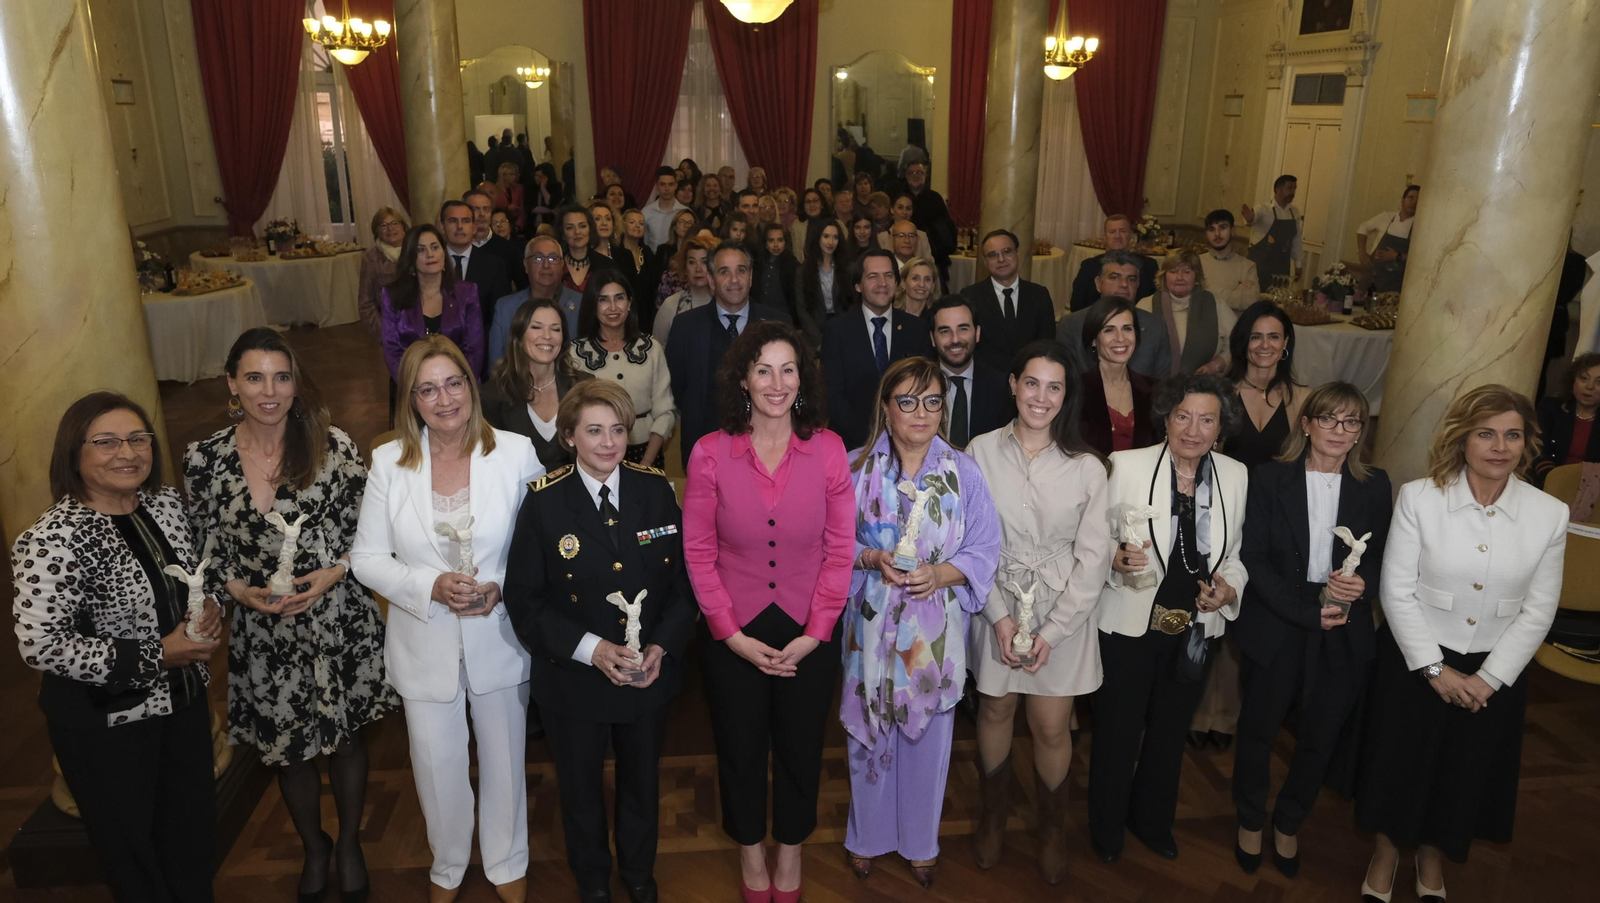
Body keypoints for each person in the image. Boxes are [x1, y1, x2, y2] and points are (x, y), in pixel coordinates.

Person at [183, 329, 398, 901]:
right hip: (264, 630)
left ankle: (348, 843)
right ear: (232, 384)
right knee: (288, 750)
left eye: (281, 377)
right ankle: (314, 846)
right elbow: (204, 546)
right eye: (254, 377)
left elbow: (372, 533)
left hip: (336, 619)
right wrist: (235, 588)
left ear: (296, 383)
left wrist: (335, 572)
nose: (269, 391)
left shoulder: (333, 446)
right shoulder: (204, 459)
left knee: (346, 742)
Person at [350, 337, 543, 903]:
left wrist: (500, 587)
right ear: (410, 400)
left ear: (471, 385)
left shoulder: (515, 452)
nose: (444, 399)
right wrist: (428, 586)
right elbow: (366, 558)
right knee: (436, 762)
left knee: (505, 757)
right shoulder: (389, 462)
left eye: (453, 383)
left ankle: (506, 859)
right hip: (423, 637)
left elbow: (539, 547)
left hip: (499, 633)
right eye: (427, 389)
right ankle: (449, 863)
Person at [1355, 385, 1566, 903]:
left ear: (1526, 442)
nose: (1500, 447)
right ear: (1462, 439)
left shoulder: (1549, 513)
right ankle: (1386, 852)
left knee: (1463, 771)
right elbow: (1396, 591)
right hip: (1414, 658)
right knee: (1398, 763)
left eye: (1512, 435)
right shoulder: (1420, 498)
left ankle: (1433, 855)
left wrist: (1489, 678)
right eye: (1486, 434)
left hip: (1495, 670)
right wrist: (1434, 668)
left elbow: (1540, 608)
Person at [12, 393, 223, 903]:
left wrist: (210, 605)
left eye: (137, 439)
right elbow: (41, 645)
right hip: (106, 723)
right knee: (134, 856)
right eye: (106, 442)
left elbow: (190, 577)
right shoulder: (51, 539)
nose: (126, 452)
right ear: (74, 452)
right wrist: (157, 653)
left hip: (184, 704)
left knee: (192, 841)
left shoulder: (165, 504)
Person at [682, 322, 855, 903]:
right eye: (763, 370)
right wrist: (729, 634)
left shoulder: (829, 449)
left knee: (802, 748)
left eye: (788, 369)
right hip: (734, 628)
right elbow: (699, 551)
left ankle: (791, 850)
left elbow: (840, 548)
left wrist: (817, 632)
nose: (776, 383)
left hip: (809, 627)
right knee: (740, 748)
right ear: (743, 380)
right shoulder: (709, 452)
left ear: (803, 379)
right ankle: (751, 851)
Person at [503, 382, 695, 903]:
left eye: (617, 430)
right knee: (580, 789)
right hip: (574, 678)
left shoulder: (655, 490)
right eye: (594, 431)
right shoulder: (544, 501)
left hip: (646, 673)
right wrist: (592, 649)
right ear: (569, 436)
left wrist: (662, 646)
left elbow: (683, 584)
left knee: (642, 783)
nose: (609, 443)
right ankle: (591, 879)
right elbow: (525, 600)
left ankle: (638, 872)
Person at [842, 356, 1001, 889]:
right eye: (907, 401)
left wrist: (941, 573)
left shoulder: (963, 471)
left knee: (928, 735)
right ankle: (867, 836)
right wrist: (870, 558)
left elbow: (985, 547)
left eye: (932, 401)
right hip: (870, 623)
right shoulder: (854, 467)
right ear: (886, 407)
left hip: (934, 629)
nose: (920, 412)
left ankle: (920, 843)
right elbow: (829, 543)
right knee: (869, 730)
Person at [1232, 381, 1392, 879]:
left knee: (1320, 737)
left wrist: (1363, 586)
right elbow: (1254, 558)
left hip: (1344, 626)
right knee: (1258, 731)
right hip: (1279, 620)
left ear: (1360, 431)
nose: (1339, 430)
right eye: (1328, 418)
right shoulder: (1268, 478)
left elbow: (1387, 558)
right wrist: (1304, 613)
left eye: (1351, 421)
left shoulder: (1376, 484)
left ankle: (1289, 821)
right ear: (1306, 424)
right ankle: (1250, 818)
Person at [966, 343, 1111, 884]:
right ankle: (993, 816)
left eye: (1054, 387)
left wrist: (1052, 630)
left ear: (1067, 395)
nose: (1041, 397)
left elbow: (1093, 560)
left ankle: (1052, 829)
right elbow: (969, 542)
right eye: (1032, 383)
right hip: (996, 597)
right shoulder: (979, 452)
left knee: (1051, 725)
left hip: (1063, 608)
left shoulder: (1088, 467)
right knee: (995, 707)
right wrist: (999, 617)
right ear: (1013, 384)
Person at [1089, 373, 1248, 862]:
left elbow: (1235, 556)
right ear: (1166, 418)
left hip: (1196, 629)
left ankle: (1152, 820)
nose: (1193, 430)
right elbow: (1092, 541)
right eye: (1183, 416)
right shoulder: (1126, 465)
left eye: (1207, 420)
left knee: (1170, 731)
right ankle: (1106, 828)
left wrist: (1229, 588)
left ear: (1221, 427)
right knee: (1118, 730)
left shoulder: (1235, 475)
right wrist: (1115, 559)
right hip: (1131, 625)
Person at [666, 242, 794, 461]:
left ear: (751, 277)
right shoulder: (685, 327)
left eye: (741, 270)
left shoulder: (778, 323)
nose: (734, 280)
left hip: (768, 450)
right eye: (724, 271)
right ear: (711, 280)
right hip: (705, 448)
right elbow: (677, 388)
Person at [822, 248, 934, 449]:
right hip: (853, 445)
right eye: (873, 276)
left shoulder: (916, 329)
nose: (882, 283)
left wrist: (899, 438)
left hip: (907, 443)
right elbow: (833, 396)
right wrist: (871, 441)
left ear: (896, 283)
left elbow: (924, 388)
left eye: (888, 276)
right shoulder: (837, 330)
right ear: (858, 285)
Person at [569, 277, 675, 468]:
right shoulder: (575, 353)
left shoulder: (651, 348)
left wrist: (646, 462)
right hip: (596, 453)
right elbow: (571, 413)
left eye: (619, 298)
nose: (613, 307)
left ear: (629, 303)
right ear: (593, 305)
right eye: (603, 300)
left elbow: (665, 411)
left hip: (647, 452)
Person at [483, 296, 595, 470]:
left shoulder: (584, 386)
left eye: (555, 329)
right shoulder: (492, 395)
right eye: (536, 327)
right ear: (519, 336)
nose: (547, 336)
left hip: (575, 486)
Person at [381, 223, 484, 383]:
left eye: (435, 247)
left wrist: (457, 383)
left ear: (444, 252)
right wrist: (416, 386)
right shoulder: (392, 295)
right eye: (421, 250)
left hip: (459, 383)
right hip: (410, 384)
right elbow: (392, 350)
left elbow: (474, 348)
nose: (430, 254)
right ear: (411, 257)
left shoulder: (467, 292)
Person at [1057, 250, 1173, 380]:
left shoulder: (1155, 325)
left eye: (1131, 279)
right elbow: (1064, 380)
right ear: (1098, 283)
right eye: (1114, 277)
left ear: (1138, 285)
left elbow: (1163, 383)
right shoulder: (1072, 325)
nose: (1124, 284)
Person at [960, 229, 1058, 371]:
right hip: (986, 377)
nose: (1001, 259)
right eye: (993, 254)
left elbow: (1047, 345)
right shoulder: (970, 296)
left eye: (1007, 251)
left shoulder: (1039, 295)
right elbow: (967, 345)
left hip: (1030, 375)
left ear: (1017, 254)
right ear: (985, 261)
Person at [1223, 301, 1303, 470]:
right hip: (1228, 487)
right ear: (1243, 342)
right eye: (1256, 337)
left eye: (1274, 337)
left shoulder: (1303, 399)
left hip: (1281, 487)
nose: (1265, 345)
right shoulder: (1221, 395)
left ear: (1285, 342)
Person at [929, 295, 1012, 449]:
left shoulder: (1000, 388)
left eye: (963, 329)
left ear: (977, 333)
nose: (955, 339)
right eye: (945, 331)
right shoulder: (917, 386)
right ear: (933, 338)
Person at [1138, 248, 1236, 375]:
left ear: (1197, 276)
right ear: (1164, 276)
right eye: (1173, 271)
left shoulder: (1216, 306)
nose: (1179, 278)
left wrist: (1216, 365)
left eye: (1187, 272)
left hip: (1204, 383)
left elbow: (1238, 342)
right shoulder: (1145, 306)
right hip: (1153, 383)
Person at [1077, 297, 1157, 455]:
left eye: (1127, 328)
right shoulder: (1075, 390)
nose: (1120, 338)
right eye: (1109, 330)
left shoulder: (1154, 389)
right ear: (1094, 340)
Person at [487, 235, 582, 365]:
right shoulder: (505, 308)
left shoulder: (581, 304)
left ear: (562, 265)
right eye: (538, 258)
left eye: (553, 258)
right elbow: (496, 364)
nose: (546, 265)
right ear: (526, 265)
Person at [440, 198, 513, 335]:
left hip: (482, 343)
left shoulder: (494, 265)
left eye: (466, 221)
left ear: (474, 227)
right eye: (453, 221)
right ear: (442, 227)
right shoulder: (432, 262)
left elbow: (497, 317)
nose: (460, 226)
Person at [1533, 352, 1600, 485]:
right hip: (1547, 482)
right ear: (1573, 380)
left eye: (1599, 382)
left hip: (1591, 489)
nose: (1589, 387)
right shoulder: (1551, 408)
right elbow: (1537, 448)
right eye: (1584, 378)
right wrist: (1555, 480)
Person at [1068, 215, 1160, 312]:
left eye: (1122, 231)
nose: (1117, 236)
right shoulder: (1089, 266)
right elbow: (1077, 305)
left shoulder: (1149, 265)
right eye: (1112, 232)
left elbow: (1156, 303)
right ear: (1104, 237)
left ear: (1131, 236)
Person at [654, 233, 719, 345]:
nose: (698, 269)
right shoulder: (670, 305)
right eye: (692, 262)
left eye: (704, 262)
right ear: (685, 267)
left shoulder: (725, 303)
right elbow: (657, 349)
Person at [795, 217, 851, 347]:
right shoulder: (803, 271)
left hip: (844, 330)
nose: (831, 242)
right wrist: (818, 340)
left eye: (835, 237)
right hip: (814, 333)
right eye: (826, 236)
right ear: (817, 238)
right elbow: (802, 309)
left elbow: (852, 304)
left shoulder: (848, 268)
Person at [1242, 175, 1303, 291]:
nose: (1293, 192)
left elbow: (1296, 239)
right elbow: (1253, 218)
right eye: (1289, 188)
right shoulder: (1264, 209)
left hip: (1282, 267)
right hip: (1260, 265)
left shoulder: (1294, 212)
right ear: (1278, 190)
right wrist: (1250, 218)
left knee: (1278, 297)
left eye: (1294, 189)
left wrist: (1298, 264)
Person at [1356, 185, 1421, 294]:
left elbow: (1419, 257)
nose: (1414, 202)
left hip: (1394, 283)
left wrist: (1397, 256)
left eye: (1417, 200)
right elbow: (1363, 228)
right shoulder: (1386, 217)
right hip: (1373, 275)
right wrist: (1362, 253)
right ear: (1402, 200)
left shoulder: (1419, 227)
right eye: (1411, 198)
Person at [558, 203, 619, 315]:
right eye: (570, 227)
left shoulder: (608, 266)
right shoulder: (555, 266)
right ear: (562, 234)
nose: (577, 232)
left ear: (590, 229)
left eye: (582, 226)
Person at [359, 206, 410, 336]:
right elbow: (366, 304)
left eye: (394, 223)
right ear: (377, 231)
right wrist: (384, 333)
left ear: (403, 227)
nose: (390, 228)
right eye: (383, 225)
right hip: (390, 328)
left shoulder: (417, 250)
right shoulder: (370, 258)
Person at [904, 161, 956, 285]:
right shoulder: (901, 197)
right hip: (905, 253)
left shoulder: (935, 198)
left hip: (932, 255)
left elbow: (946, 227)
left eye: (919, 172)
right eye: (912, 173)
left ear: (925, 175)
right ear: (906, 176)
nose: (916, 176)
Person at [1199, 209, 1260, 313]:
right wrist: (1235, 294)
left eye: (1223, 227)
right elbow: (1191, 297)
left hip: (1233, 323)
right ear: (1206, 233)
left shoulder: (1248, 266)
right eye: (1211, 229)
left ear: (1233, 230)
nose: (1217, 234)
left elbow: (1250, 301)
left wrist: (1207, 292)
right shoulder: (1196, 262)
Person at [467, 188, 527, 292]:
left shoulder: (508, 249)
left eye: (486, 209)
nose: (482, 214)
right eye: (475, 209)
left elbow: (524, 287)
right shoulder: (458, 248)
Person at [611, 209, 658, 326]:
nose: (637, 226)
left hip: (645, 314)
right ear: (623, 225)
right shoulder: (615, 252)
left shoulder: (647, 253)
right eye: (632, 222)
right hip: (620, 312)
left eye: (641, 223)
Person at [753, 221, 798, 319]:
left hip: (783, 316)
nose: (776, 245)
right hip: (759, 315)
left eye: (780, 240)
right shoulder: (758, 264)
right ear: (765, 244)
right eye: (771, 241)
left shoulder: (793, 265)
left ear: (786, 242)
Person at [642, 166, 688, 250]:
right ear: (657, 185)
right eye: (662, 184)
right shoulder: (646, 213)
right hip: (653, 257)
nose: (667, 189)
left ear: (676, 185)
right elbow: (644, 244)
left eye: (671, 184)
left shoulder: (685, 213)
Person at [878, 193, 934, 261]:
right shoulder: (882, 237)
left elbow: (929, 262)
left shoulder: (922, 236)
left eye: (908, 208)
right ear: (892, 209)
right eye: (900, 208)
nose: (904, 212)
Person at [894, 255, 938, 321]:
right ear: (903, 283)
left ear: (933, 285)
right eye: (915, 278)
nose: (921, 284)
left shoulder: (936, 318)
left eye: (927, 279)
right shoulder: (891, 314)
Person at [529, 163, 564, 233]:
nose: (537, 178)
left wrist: (543, 188)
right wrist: (550, 211)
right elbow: (531, 207)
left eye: (540, 176)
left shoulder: (556, 187)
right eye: (535, 175)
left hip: (550, 222)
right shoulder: (531, 188)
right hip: (533, 224)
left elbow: (550, 204)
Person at [493, 162, 526, 230]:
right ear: (504, 175)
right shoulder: (495, 190)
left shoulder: (519, 188)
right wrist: (507, 208)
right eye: (511, 174)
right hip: (500, 222)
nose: (514, 177)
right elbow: (494, 208)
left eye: (514, 174)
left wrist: (518, 225)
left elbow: (522, 208)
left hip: (516, 222)